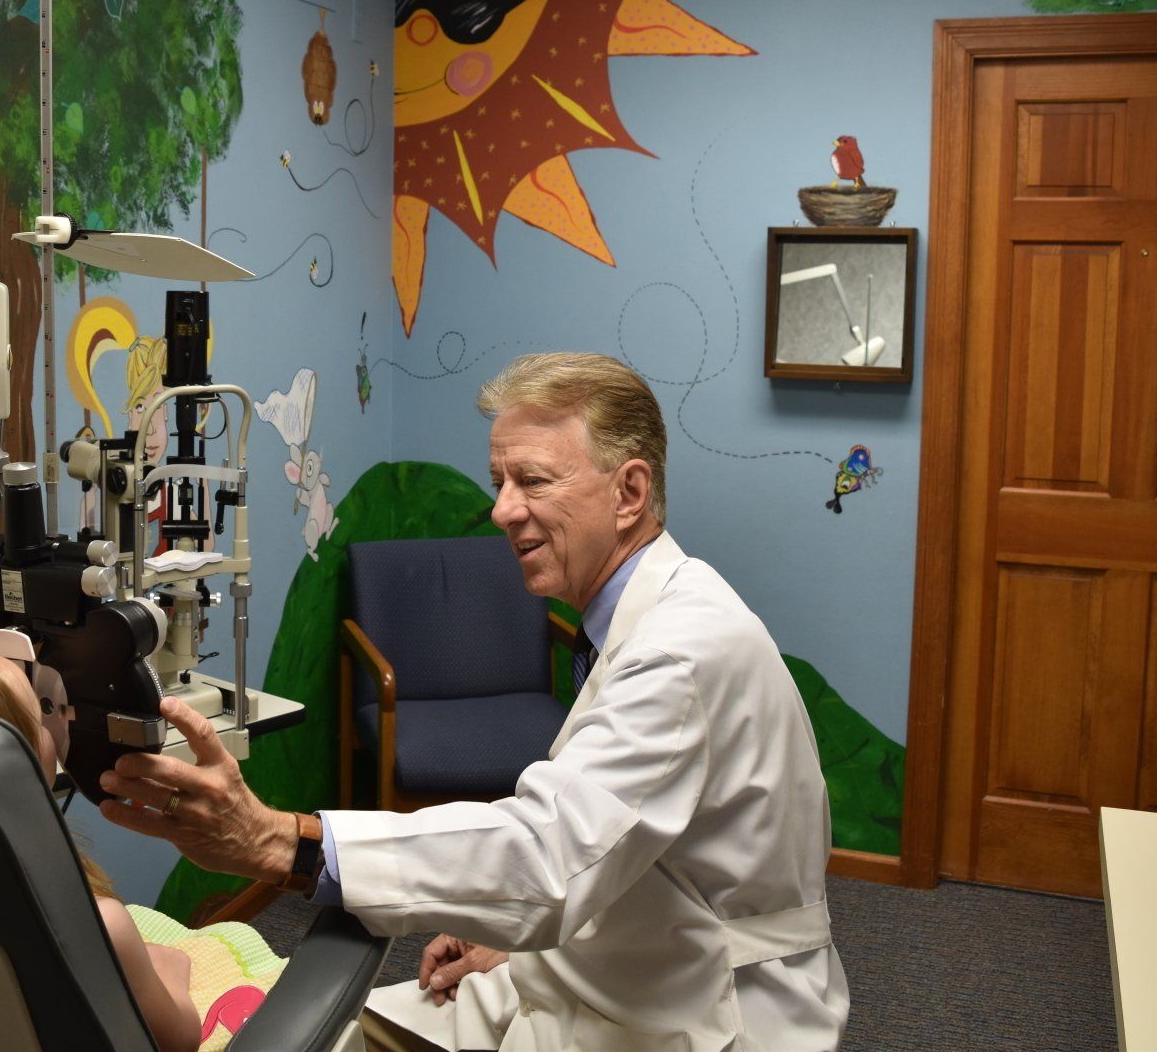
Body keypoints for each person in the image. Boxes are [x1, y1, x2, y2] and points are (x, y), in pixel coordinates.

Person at [97, 352, 849, 1050]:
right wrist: (513, 935)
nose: (501, 511)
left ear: (629, 493)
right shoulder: (627, 619)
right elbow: (608, 838)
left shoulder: (682, 650)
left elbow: (548, 855)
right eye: (499, 482)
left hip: (707, 1003)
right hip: (619, 952)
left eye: (533, 481)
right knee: (349, 1034)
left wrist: (275, 840)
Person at [0, 636, 201, 1052]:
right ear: (15, 767)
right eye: (39, 711)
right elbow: (178, 1041)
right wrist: (171, 964)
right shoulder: (98, 928)